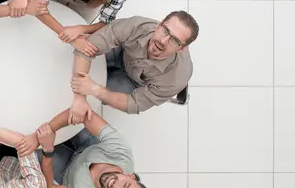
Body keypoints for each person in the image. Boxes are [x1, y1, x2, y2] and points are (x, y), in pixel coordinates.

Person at [69, 11, 199, 121]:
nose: (163, 41)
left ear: (182, 48)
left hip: (134, 82)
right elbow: (86, 47)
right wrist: (79, 97)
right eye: (165, 31)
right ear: (159, 25)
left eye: (174, 41)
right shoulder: (136, 26)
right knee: (70, 70)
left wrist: (96, 90)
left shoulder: (175, 79)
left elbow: (134, 104)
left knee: (89, 101)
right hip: (121, 51)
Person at [34, 108, 150, 188]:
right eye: (126, 184)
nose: (115, 185)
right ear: (130, 175)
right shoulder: (122, 153)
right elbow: (84, 113)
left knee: (29, 149)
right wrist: (50, 128)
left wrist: (47, 150)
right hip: (87, 145)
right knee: (67, 111)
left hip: (66, 170)